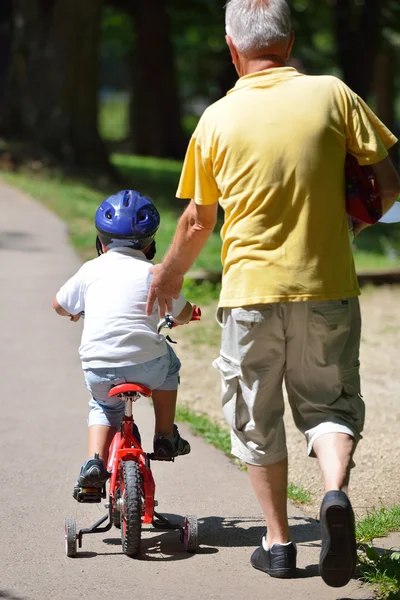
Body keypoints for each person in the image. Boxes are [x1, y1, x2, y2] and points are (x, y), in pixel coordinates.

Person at [146, 0, 400, 589]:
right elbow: (387, 185)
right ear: (288, 43)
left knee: (257, 420)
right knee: (330, 406)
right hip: (328, 287)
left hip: (251, 295)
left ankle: (279, 543)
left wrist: (170, 276)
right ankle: (334, 492)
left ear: (233, 49)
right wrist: (353, 226)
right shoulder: (334, 94)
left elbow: (196, 222)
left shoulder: (215, 118)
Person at [53, 189, 193, 503]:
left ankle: (94, 463)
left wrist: (77, 309)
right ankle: (165, 435)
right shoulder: (158, 275)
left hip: (100, 369)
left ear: (100, 243)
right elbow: (182, 314)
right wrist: (188, 314)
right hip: (148, 370)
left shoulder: (91, 270)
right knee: (170, 365)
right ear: (151, 244)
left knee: (103, 406)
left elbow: (59, 305)